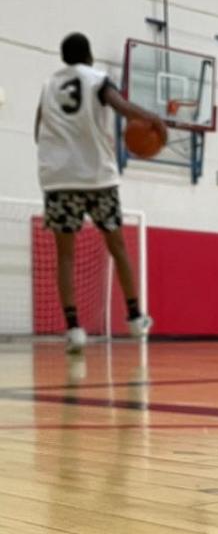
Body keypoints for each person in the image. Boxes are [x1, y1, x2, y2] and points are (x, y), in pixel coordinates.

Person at [35, 32, 166, 353]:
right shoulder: (96, 78)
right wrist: (153, 119)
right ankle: (135, 317)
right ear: (89, 56)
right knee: (117, 246)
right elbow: (121, 107)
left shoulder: (49, 86)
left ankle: (73, 328)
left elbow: (38, 130)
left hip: (59, 178)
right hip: (96, 177)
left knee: (65, 255)